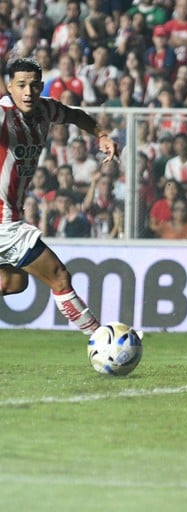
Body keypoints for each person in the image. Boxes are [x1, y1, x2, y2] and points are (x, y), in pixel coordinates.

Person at [0, 58, 118, 336]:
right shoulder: (3, 114)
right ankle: (102, 342)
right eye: (21, 85)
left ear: (41, 86)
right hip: (3, 223)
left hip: (10, 217)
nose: (27, 91)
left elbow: (75, 114)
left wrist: (100, 135)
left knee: (13, 284)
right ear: (10, 88)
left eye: (33, 85)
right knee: (59, 277)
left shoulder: (45, 109)